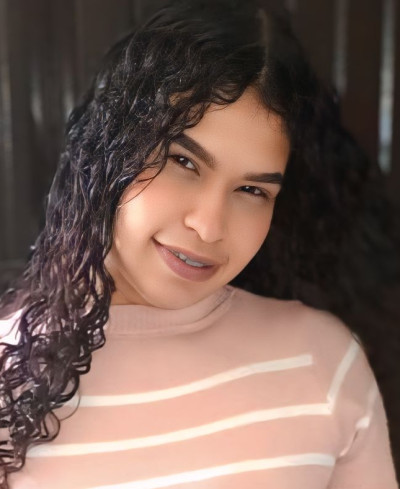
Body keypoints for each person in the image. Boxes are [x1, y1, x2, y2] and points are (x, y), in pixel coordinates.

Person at [0, 0, 399, 487]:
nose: (209, 227)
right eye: (183, 161)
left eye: (252, 190)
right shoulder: (8, 375)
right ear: (109, 148)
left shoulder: (324, 361)